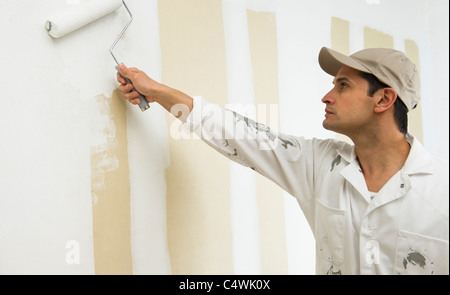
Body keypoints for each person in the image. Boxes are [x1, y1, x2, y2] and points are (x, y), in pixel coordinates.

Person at [116, 47, 449, 275]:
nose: (327, 95)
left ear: (384, 99)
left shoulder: (441, 191)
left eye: (343, 86)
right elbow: (240, 135)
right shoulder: (321, 165)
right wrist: (157, 91)